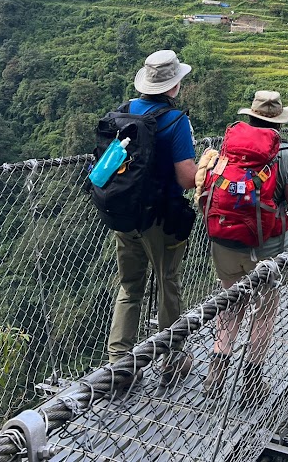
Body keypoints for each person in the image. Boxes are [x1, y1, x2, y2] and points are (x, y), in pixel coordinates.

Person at [202, 91, 288, 402]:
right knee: (263, 312)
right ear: (278, 122)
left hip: (224, 241)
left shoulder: (229, 147)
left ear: (250, 116)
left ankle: (215, 373)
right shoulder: (286, 153)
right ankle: (251, 384)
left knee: (231, 304)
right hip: (267, 250)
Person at [107, 50, 197, 384]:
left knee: (129, 286)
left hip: (124, 214)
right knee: (166, 282)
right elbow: (187, 178)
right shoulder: (175, 121)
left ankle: (119, 366)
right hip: (159, 219)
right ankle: (172, 360)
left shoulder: (124, 112)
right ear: (174, 86)